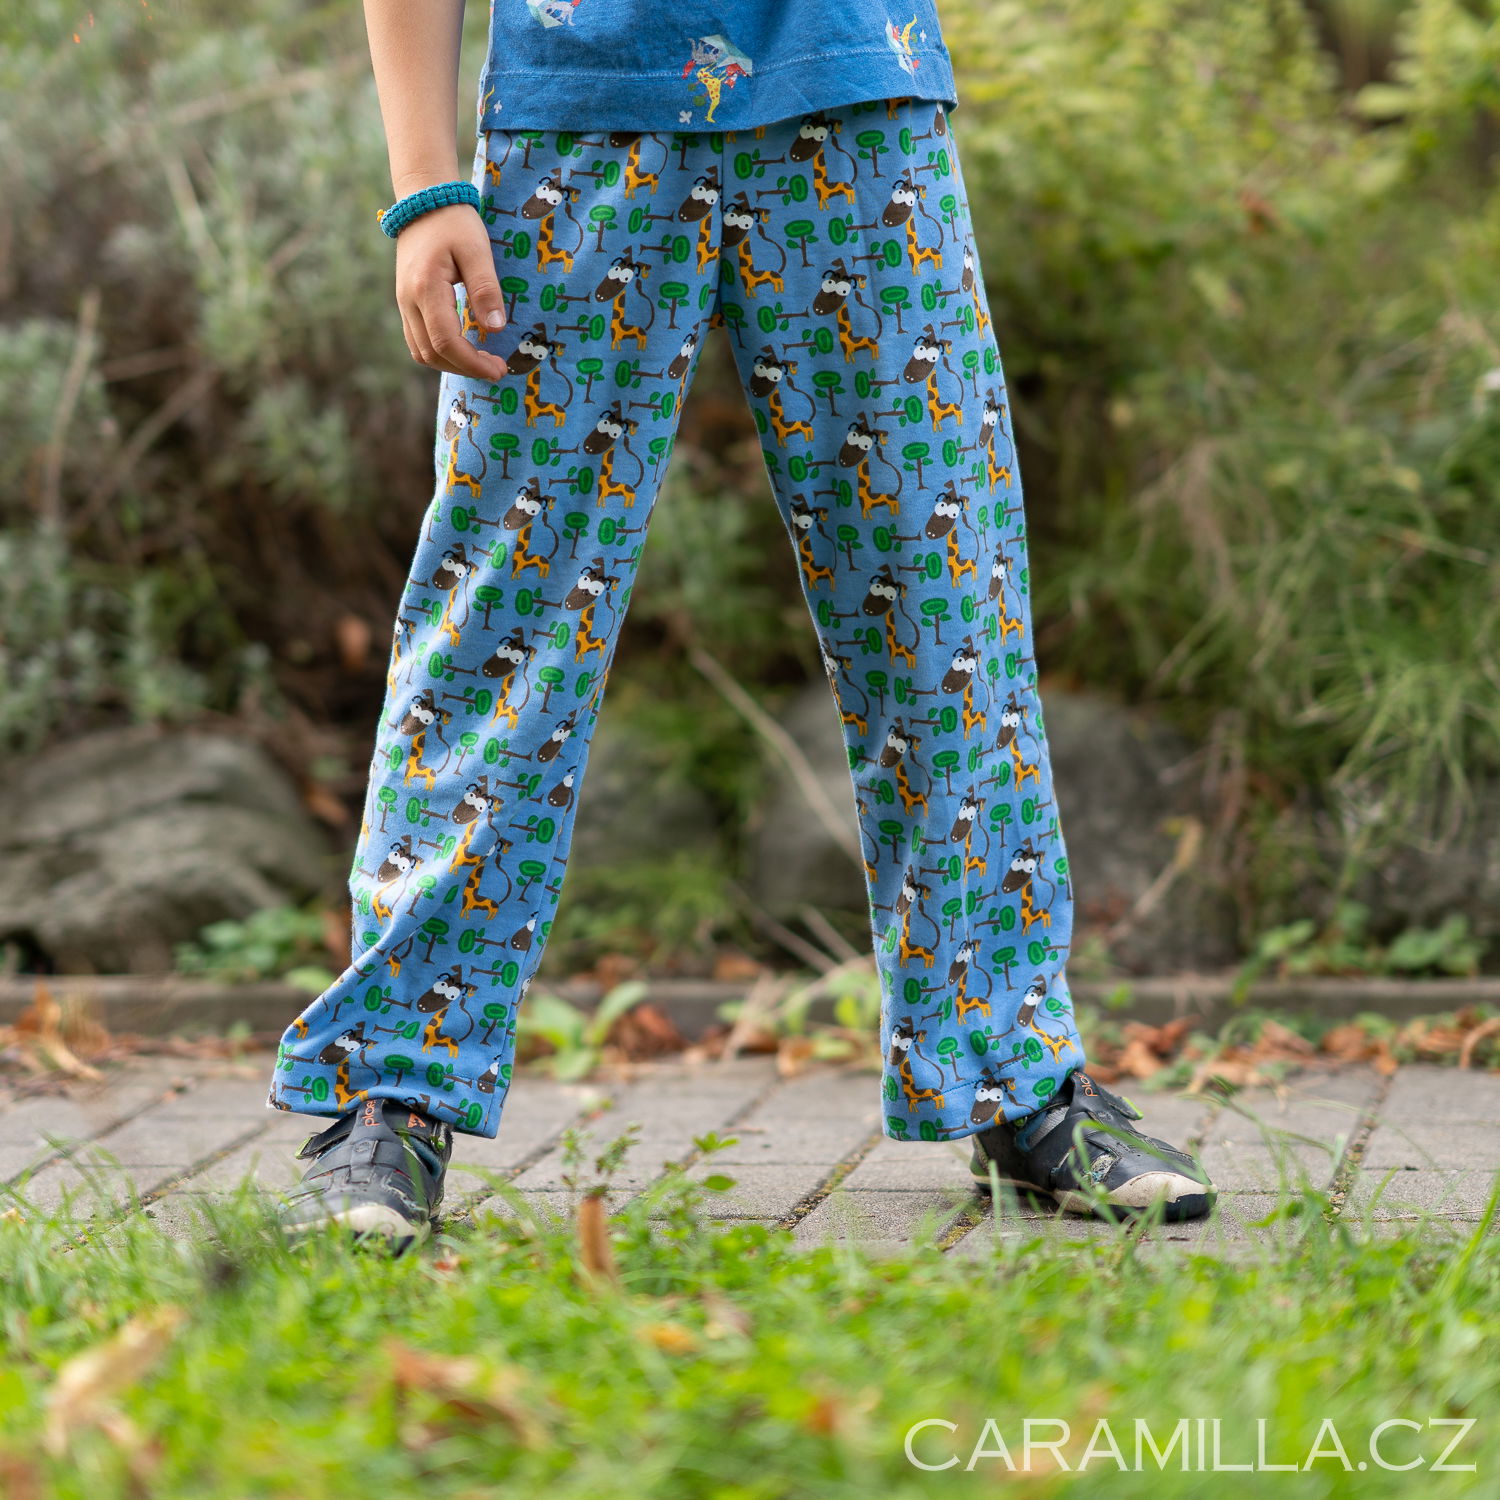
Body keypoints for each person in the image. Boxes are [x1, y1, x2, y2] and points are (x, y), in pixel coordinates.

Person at [268, 0, 1217, 1248]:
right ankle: (394, 1095)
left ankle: (1014, 1080)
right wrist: (424, 186)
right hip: (577, 125)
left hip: (858, 103)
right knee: (504, 625)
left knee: (945, 609)